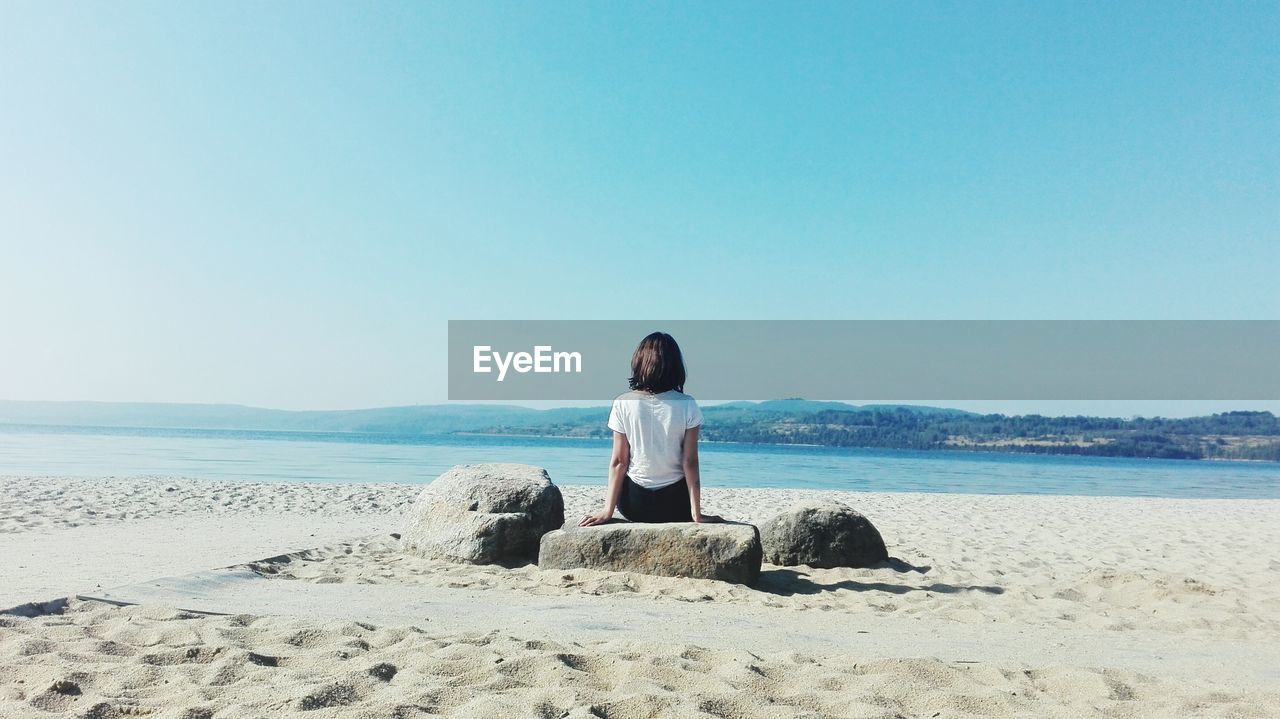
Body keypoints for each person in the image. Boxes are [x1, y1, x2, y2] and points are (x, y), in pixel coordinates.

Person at [579, 332, 721, 526]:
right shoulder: (688, 404)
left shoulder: (623, 403)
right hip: (675, 505)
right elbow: (689, 461)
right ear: (675, 366)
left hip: (634, 505)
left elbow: (619, 462)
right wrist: (696, 514)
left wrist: (607, 511)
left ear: (639, 362)